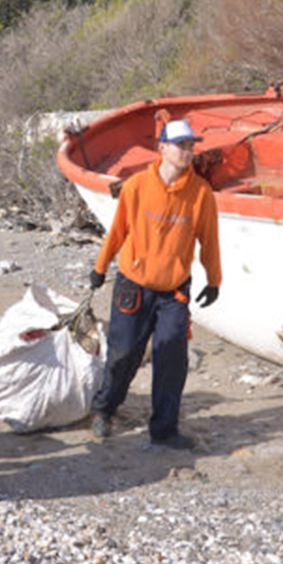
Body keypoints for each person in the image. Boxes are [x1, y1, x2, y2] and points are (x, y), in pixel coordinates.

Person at [88, 118, 222, 450]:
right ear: (162, 148)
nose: (188, 152)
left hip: (174, 291)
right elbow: (117, 230)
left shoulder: (201, 193)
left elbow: (210, 240)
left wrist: (214, 280)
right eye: (181, 146)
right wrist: (100, 267)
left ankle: (163, 429)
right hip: (133, 286)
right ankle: (104, 409)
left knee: (172, 357)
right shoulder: (136, 186)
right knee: (124, 354)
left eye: (191, 146)